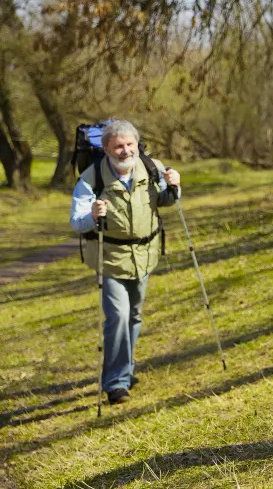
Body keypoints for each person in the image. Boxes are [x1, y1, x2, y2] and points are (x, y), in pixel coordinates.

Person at [70, 119, 181, 405]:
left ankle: (126, 370)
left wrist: (174, 187)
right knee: (117, 316)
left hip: (144, 254)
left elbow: (165, 201)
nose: (125, 150)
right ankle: (116, 383)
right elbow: (76, 222)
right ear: (106, 148)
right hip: (110, 258)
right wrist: (93, 215)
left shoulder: (151, 167)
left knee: (134, 315)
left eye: (130, 144)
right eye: (118, 146)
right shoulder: (91, 178)